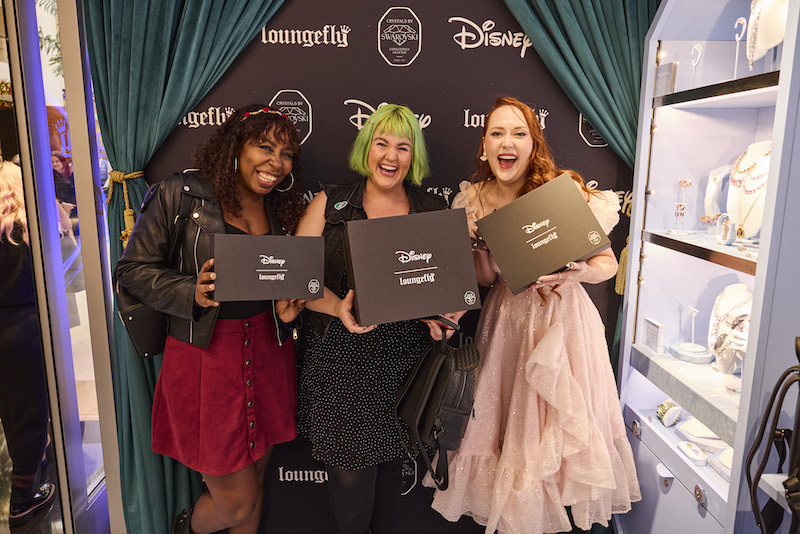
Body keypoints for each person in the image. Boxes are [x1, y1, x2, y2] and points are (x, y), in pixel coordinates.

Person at [425, 97, 641, 534]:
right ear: (484, 146)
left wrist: (580, 270)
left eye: (519, 133)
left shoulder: (562, 191)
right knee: (512, 439)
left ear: (533, 144)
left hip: (565, 327)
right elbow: (486, 280)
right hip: (507, 325)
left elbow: (608, 263)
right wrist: (479, 248)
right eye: (498, 133)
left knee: (561, 441)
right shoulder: (474, 200)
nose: (508, 142)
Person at [114, 105, 308, 534]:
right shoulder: (181, 194)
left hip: (268, 353)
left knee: (256, 482)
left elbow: (275, 283)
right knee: (236, 503)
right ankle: (186, 528)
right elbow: (130, 272)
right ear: (236, 144)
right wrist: (191, 291)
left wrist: (284, 310)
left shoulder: (280, 211)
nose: (277, 162)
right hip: (205, 357)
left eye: (287, 153)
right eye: (265, 146)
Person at [294, 104, 454, 534]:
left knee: (400, 476)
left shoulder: (431, 207)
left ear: (413, 157)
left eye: (404, 147)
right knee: (350, 486)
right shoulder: (331, 202)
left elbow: (451, 287)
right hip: (342, 365)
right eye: (381, 143)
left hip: (408, 367)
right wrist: (337, 307)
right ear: (366, 148)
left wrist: (446, 316)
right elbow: (297, 279)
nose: (391, 155)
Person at [0, 159, 57, 526]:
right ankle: (23, 498)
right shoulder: (26, 230)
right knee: (29, 416)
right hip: (24, 330)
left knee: (13, 414)